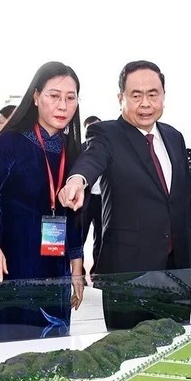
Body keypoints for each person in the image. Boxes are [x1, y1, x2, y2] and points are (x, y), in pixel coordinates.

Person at [58, 60, 191, 330]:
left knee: (175, 348)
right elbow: (93, 158)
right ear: (120, 97)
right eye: (136, 95)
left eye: (153, 94)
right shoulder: (106, 133)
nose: (145, 103)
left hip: (175, 272)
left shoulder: (174, 137)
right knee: (127, 353)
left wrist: (190, 269)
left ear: (163, 97)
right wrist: (77, 179)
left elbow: (183, 210)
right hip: (129, 275)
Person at [0, 62, 85, 341]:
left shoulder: (73, 149)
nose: (62, 105)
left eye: (70, 98)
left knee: (54, 344)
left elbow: (74, 214)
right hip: (13, 257)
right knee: (14, 341)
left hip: (54, 260)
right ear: (36, 97)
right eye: (54, 95)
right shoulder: (9, 142)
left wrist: (77, 263)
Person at [80, 115, 103, 275]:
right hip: (85, 200)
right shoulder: (79, 149)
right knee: (80, 235)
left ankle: (98, 270)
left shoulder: (111, 148)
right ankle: (77, 269)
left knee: (102, 236)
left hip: (104, 199)